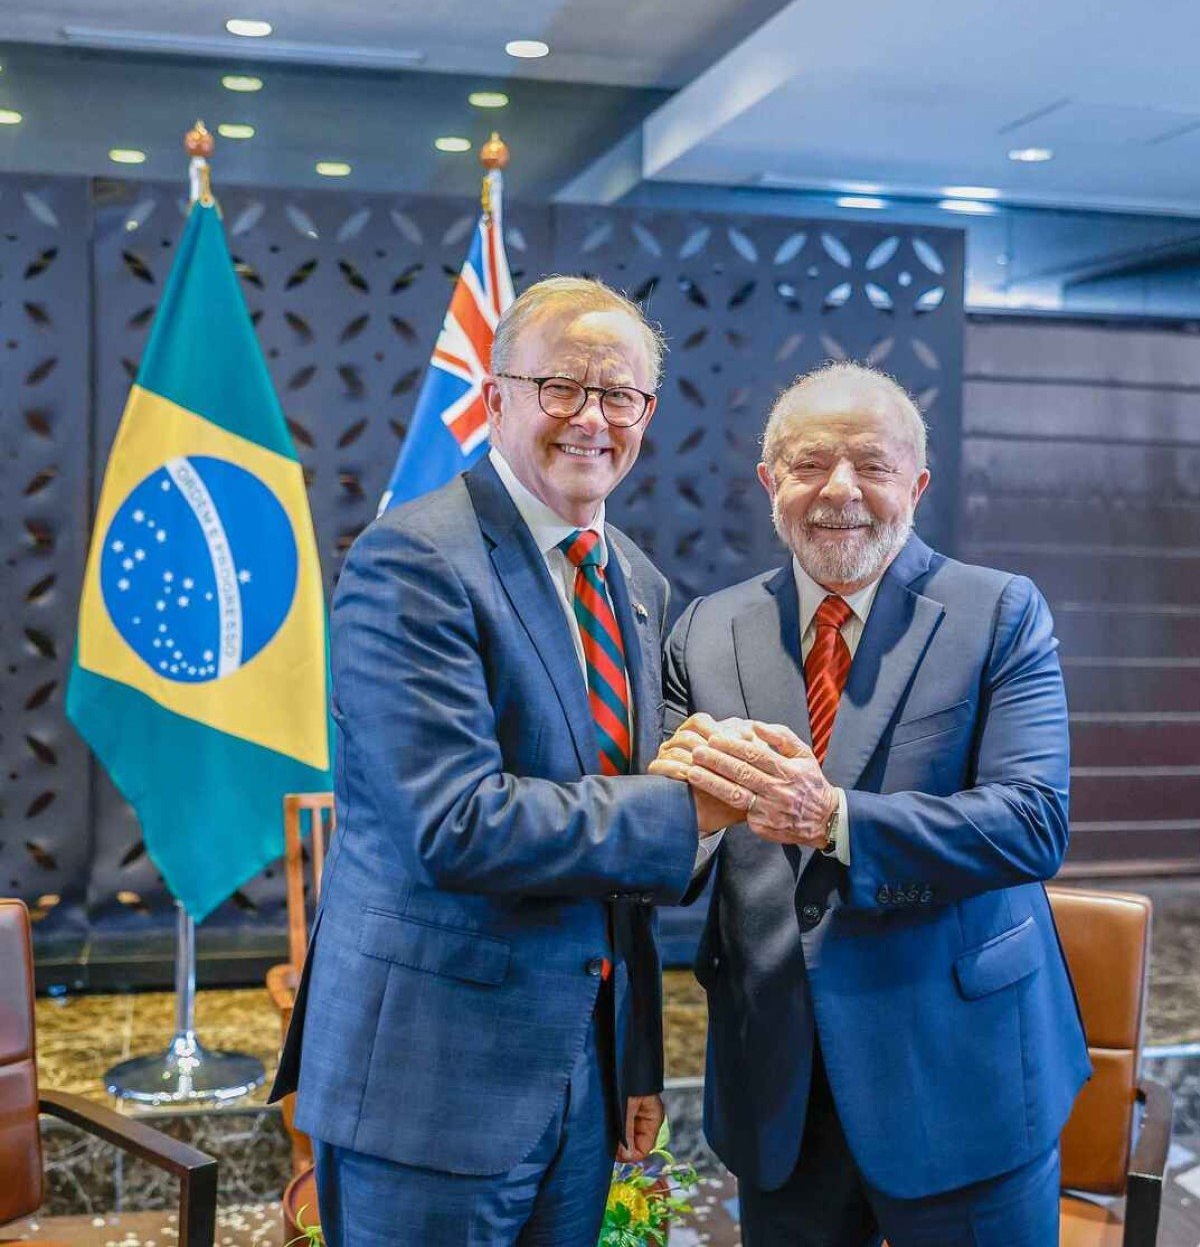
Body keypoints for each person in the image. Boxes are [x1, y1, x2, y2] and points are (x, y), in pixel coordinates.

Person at [270, 275, 737, 1246]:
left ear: (647, 414)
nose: (592, 418)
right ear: (496, 397)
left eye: (620, 395)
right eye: (562, 386)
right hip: (431, 1083)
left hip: (584, 1077)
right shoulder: (413, 560)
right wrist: (687, 808)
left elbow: (625, 857)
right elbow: (455, 824)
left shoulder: (635, 580)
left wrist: (635, 1060)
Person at [652, 362, 1091, 1246]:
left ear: (916, 486)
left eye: (872, 466)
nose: (840, 490)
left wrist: (834, 821)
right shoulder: (705, 630)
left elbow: (1033, 823)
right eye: (810, 464)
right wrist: (681, 813)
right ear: (770, 483)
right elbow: (669, 838)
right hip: (778, 1084)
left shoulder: (999, 612)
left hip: (958, 1069)